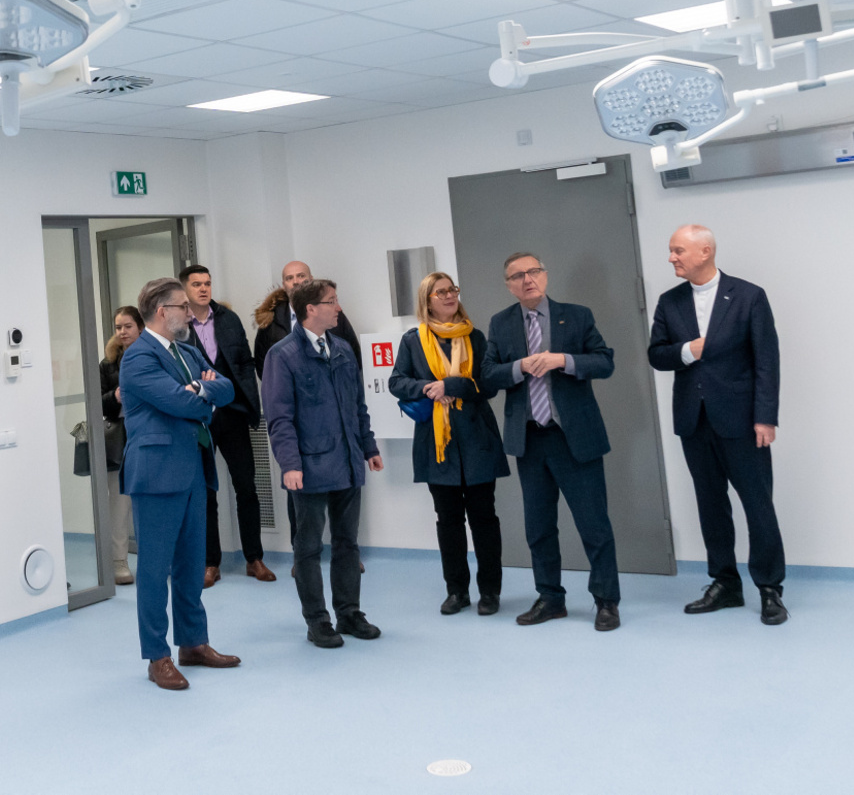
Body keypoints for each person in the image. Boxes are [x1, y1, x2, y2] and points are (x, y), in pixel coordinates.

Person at [648, 224, 787, 626]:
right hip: (694, 421)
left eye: (678, 250)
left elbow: (767, 361)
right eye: (671, 250)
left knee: (758, 505)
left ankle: (769, 588)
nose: (672, 257)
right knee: (710, 505)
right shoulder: (670, 301)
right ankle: (725, 583)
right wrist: (687, 351)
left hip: (743, 422)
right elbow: (657, 355)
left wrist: (765, 417)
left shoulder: (749, 296)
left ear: (705, 251)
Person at [479, 251, 622, 632]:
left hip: (575, 438)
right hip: (530, 439)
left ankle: (606, 600)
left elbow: (605, 361)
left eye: (534, 271)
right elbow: (488, 375)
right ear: (509, 285)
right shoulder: (501, 323)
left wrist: (563, 361)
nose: (527, 279)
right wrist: (519, 367)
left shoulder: (576, 316)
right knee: (539, 528)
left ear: (545, 275)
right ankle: (550, 598)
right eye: (518, 275)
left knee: (594, 525)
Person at [118, 276, 243, 690]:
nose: (190, 313)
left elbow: (226, 388)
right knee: (155, 571)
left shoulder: (187, 351)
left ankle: (193, 643)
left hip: (193, 468)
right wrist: (202, 398)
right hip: (156, 473)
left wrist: (202, 387)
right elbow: (178, 401)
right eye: (183, 307)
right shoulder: (138, 358)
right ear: (162, 311)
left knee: (191, 565)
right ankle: (157, 656)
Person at [262, 278, 383, 648]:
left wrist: (368, 447)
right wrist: (290, 464)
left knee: (347, 543)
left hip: (348, 461)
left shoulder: (343, 349)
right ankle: (317, 621)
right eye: (332, 301)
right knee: (308, 547)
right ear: (310, 309)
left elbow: (358, 405)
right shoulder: (282, 355)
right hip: (309, 467)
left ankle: (349, 613)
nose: (338, 307)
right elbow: (279, 418)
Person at [389, 271, 507, 616]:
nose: (449, 295)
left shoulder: (475, 337)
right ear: (427, 301)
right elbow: (397, 382)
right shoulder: (413, 340)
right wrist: (427, 388)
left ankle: (490, 592)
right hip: (437, 446)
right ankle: (457, 591)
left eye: (452, 289)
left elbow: (489, 385)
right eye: (440, 292)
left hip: (477, 440)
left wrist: (451, 386)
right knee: (448, 521)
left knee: (484, 519)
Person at [180, 264, 276, 588]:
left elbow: (245, 362)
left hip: (233, 413)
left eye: (207, 283)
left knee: (246, 487)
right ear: (185, 289)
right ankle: (211, 563)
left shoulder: (228, 319)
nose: (203, 289)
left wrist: (250, 404)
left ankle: (254, 558)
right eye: (196, 284)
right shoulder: (179, 326)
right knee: (206, 492)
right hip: (199, 417)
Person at [251, 260, 359, 377]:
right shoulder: (271, 320)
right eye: (289, 278)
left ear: (311, 280)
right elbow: (263, 366)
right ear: (284, 285)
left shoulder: (333, 313)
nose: (296, 282)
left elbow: (353, 355)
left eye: (301, 276)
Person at [99, 305, 142, 586]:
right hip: (121, 438)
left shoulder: (154, 355)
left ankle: (159, 559)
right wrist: (114, 396)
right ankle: (118, 561)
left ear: (140, 327)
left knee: (150, 503)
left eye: (128, 326)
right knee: (119, 503)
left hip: (149, 435)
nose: (123, 332)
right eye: (118, 327)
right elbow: (97, 402)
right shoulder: (108, 364)